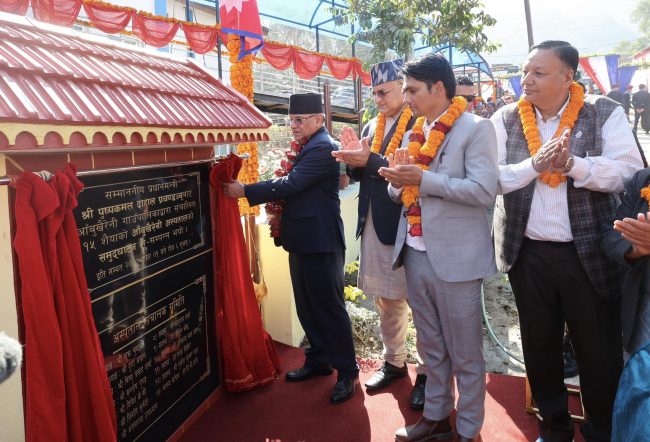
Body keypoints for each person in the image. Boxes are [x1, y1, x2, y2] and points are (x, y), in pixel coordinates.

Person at [491, 40, 643, 441]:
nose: (526, 80)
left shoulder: (603, 112)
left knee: (598, 352)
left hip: (589, 253)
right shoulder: (505, 117)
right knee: (539, 348)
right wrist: (534, 166)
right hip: (527, 253)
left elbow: (628, 173)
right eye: (525, 71)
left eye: (538, 72)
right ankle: (553, 429)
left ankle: (601, 431)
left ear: (568, 76)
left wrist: (573, 165)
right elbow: (489, 176)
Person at [380, 54, 499, 442]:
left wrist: (423, 179)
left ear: (438, 88)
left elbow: (483, 191)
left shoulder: (475, 128)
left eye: (412, 90)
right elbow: (401, 192)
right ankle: (436, 418)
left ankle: (468, 430)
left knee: (465, 353)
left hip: (457, 258)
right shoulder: (414, 132)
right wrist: (397, 181)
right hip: (415, 252)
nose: (406, 98)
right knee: (431, 346)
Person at [221, 93, 359, 405]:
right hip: (302, 240)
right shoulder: (308, 145)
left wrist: (246, 191)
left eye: (299, 120)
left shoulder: (323, 147)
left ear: (318, 120)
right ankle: (319, 359)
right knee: (307, 306)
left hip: (321, 243)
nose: (293, 125)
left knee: (329, 308)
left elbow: (292, 184)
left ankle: (347, 371)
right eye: (291, 120)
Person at [332, 59, 427, 409]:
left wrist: (367, 160)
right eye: (374, 93)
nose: (378, 99)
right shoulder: (374, 123)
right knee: (386, 299)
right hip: (374, 220)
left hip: (409, 223)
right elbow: (363, 172)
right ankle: (395, 362)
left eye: (384, 92)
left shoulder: (420, 123)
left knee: (420, 301)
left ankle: (428, 373)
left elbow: (402, 171)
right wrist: (351, 160)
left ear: (404, 88)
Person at [600, 168, 650, 441]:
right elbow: (610, 235)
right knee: (636, 398)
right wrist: (634, 249)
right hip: (644, 312)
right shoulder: (644, 180)